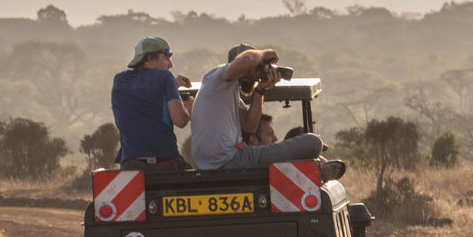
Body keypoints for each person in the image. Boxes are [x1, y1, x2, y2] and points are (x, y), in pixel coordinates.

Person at [190, 44, 345, 178]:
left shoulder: (227, 93)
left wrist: (261, 90)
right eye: (255, 71)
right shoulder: (217, 78)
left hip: (219, 162)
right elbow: (248, 60)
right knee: (313, 142)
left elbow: (249, 126)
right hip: (229, 160)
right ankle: (318, 170)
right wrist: (266, 54)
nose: (256, 76)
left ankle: (319, 166)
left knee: (304, 146)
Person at [111, 36, 193, 169]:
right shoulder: (166, 78)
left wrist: (172, 88)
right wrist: (189, 107)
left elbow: (145, 94)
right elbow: (180, 121)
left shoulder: (119, 80)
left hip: (130, 163)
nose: (170, 65)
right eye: (166, 59)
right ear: (149, 59)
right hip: (164, 160)